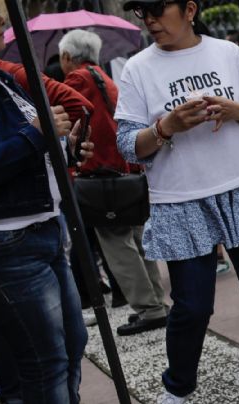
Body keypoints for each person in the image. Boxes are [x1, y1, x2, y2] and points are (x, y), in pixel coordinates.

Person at [115, 1, 239, 403]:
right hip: (181, 199)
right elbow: (128, 145)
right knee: (191, 307)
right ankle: (178, 388)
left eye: (157, 9)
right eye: (141, 12)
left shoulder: (227, 52)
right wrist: (166, 127)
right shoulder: (138, 68)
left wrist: (237, 110)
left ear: (189, 9)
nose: (150, 20)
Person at [0, 0, 95, 402]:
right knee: (42, 360)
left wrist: (65, 148)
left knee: (68, 345)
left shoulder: (1, 77)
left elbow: (32, 144)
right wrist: (37, 132)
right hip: (7, 239)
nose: (2, 20)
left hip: (41, 227)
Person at [59, 29, 170, 336]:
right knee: (135, 240)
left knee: (118, 246)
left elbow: (72, 127)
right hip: (123, 170)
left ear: (68, 57)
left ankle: (149, 309)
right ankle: (156, 303)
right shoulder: (103, 77)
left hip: (100, 174)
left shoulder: (77, 80)